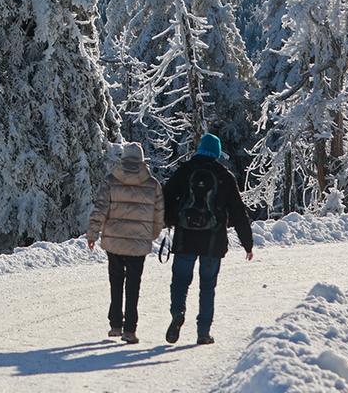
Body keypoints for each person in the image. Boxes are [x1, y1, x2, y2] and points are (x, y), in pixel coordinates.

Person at [163, 133, 255, 346]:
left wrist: (169, 220)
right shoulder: (224, 176)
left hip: (185, 237)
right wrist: (247, 244)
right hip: (213, 241)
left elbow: (166, 196)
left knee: (180, 281)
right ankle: (203, 332)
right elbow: (239, 212)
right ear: (216, 152)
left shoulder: (186, 171)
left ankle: (178, 312)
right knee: (207, 286)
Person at [87, 143, 164, 345]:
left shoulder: (111, 181)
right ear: (141, 159)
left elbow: (100, 208)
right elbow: (159, 214)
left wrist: (93, 233)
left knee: (116, 282)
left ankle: (115, 325)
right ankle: (130, 330)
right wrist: (151, 235)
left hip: (114, 241)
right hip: (139, 243)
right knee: (133, 286)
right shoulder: (152, 184)